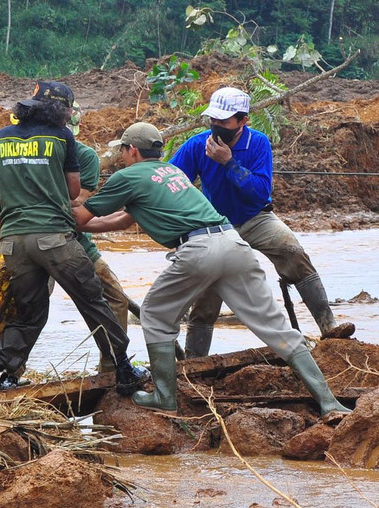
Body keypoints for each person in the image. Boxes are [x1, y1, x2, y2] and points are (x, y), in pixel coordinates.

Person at [73, 122, 351, 419]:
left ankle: (165, 397)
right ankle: (329, 402)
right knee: (273, 325)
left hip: (197, 250)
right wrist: (88, 224)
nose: (121, 158)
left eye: (122, 152)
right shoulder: (172, 173)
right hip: (232, 242)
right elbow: (124, 220)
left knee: (154, 313)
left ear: (131, 151)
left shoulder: (126, 176)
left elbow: (81, 215)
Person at [0, 81, 146, 395]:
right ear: (59, 110)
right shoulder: (61, 137)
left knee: (28, 316)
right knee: (93, 301)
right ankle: (124, 368)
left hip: (13, 243)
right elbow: (74, 190)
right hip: (54, 238)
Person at [170, 87, 354, 357]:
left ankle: (328, 326)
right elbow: (171, 179)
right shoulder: (198, 145)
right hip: (215, 226)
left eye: (225, 121)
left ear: (243, 121)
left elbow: (258, 191)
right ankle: (196, 362)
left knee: (293, 251)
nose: (217, 127)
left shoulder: (257, 144)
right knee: (206, 295)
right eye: (214, 120)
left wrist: (228, 162)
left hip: (256, 217)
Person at [68, 100, 130, 332]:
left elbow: (78, 207)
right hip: (52, 236)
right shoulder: (80, 156)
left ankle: (112, 365)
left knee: (116, 298)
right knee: (28, 307)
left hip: (71, 238)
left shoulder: (84, 157)